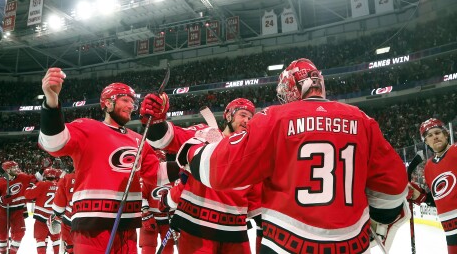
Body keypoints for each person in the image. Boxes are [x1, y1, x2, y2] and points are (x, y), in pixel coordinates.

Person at [183, 58, 409, 253]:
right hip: (351, 244)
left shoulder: (274, 118)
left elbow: (219, 169)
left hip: (286, 244)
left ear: (294, 86)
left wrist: (192, 151)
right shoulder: (362, 120)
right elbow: (392, 192)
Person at [38, 67, 180, 254]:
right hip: (92, 229)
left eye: (133, 102)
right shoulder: (87, 127)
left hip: (128, 228)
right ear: (107, 103)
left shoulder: (138, 140)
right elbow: (53, 143)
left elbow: (157, 173)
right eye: (125, 100)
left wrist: (190, 162)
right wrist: (51, 101)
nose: (131, 106)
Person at [140, 94, 262, 254]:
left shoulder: (250, 154)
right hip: (197, 229)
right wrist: (156, 120)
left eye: (250, 117)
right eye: (243, 115)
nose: (247, 121)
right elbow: (164, 138)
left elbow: (255, 199)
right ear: (229, 115)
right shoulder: (204, 133)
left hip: (236, 233)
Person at [408, 118, 457, 254]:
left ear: (446, 134)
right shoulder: (428, 167)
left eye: (437, 133)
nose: (434, 137)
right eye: (429, 135)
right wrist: (418, 195)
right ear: (426, 141)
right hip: (450, 232)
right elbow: (438, 199)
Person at [0, 161, 40, 254]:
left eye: (17, 167)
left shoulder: (23, 177)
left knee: (19, 234)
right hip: (3, 211)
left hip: (18, 211)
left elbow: (35, 178)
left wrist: (43, 168)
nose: (17, 169)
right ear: (7, 170)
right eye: (14, 168)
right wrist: (1, 199)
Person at [24, 168, 60, 254]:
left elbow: (28, 195)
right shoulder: (59, 185)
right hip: (54, 217)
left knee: (40, 239)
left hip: (41, 217)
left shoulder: (41, 184)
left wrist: (31, 184)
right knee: (56, 239)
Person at [50, 168, 76, 254]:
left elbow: (58, 208)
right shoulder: (98, 177)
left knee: (70, 248)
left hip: (71, 222)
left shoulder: (66, 178)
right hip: (96, 223)